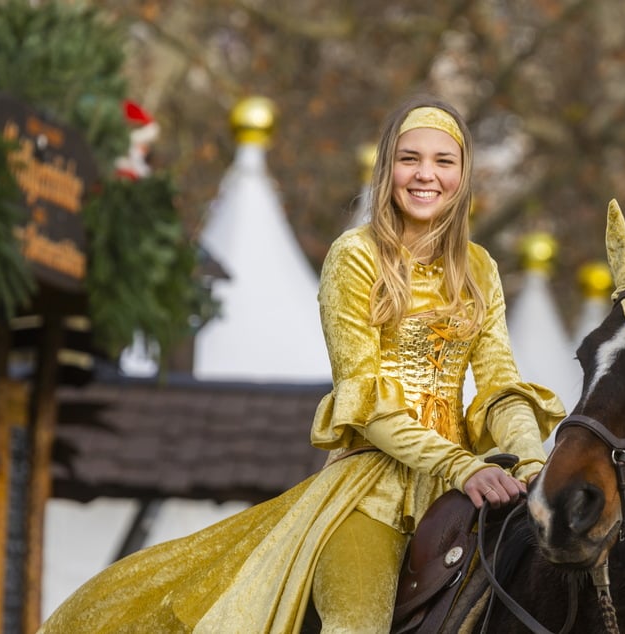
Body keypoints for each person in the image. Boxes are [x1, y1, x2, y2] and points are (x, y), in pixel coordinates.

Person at [38, 95, 565, 633]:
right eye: (410, 158)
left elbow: (501, 385)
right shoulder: (355, 256)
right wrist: (462, 465)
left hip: (468, 494)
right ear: (388, 169)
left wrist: (531, 464)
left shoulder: (480, 267)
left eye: (442, 161)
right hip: (369, 493)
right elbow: (363, 396)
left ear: (463, 174)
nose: (424, 174)